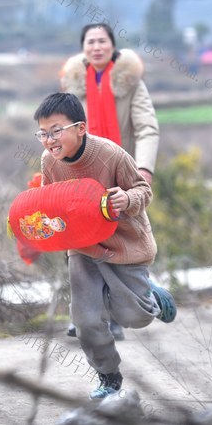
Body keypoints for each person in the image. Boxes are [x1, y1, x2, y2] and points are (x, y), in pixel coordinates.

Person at [34, 92, 175, 400]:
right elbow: (48, 202)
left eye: (56, 130)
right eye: (43, 133)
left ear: (80, 128)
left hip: (123, 244)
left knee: (134, 317)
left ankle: (150, 296)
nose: (49, 140)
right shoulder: (49, 162)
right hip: (82, 248)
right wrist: (40, 224)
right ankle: (108, 376)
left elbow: (143, 190)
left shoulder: (110, 154)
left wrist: (128, 199)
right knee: (85, 319)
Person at [60, 23, 160, 340]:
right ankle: (86, 316)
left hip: (120, 174)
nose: (97, 47)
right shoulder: (73, 88)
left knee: (119, 246)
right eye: (91, 42)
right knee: (79, 245)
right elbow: (61, 130)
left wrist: (143, 169)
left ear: (113, 47)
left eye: (103, 41)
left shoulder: (131, 83)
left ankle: (119, 313)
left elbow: (146, 128)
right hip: (81, 175)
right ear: (83, 48)